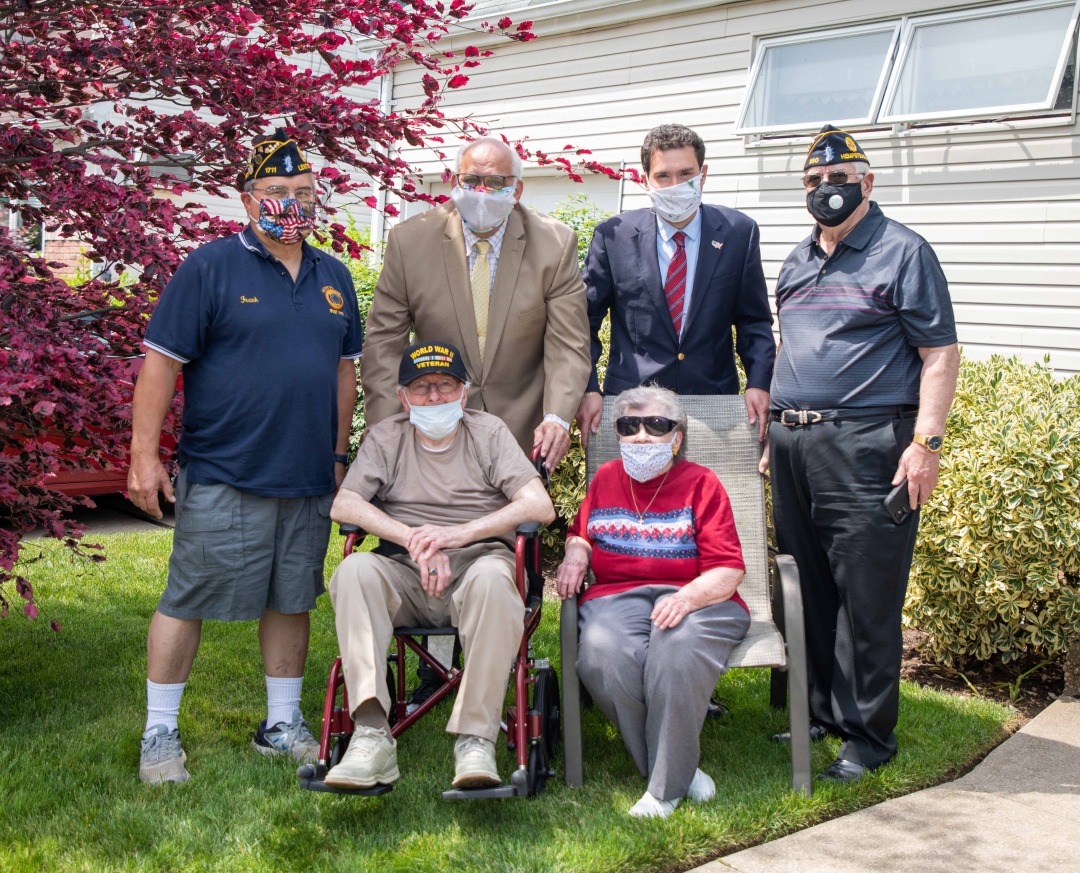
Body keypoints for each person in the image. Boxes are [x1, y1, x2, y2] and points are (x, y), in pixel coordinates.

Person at [128, 130, 364, 784]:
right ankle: (160, 732)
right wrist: (143, 456)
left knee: (293, 597)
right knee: (188, 596)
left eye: (304, 193)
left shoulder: (334, 276)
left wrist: (340, 453)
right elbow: (161, 365)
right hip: (224, 470)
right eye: (277, 193)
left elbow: (346, 372)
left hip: (308, 473)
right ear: (247, 200)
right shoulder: (209, 267)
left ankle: (280, 723)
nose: (292, 203)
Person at [766, 125, 960, 782]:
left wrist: (925, 445)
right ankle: (821, 707)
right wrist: (772, 428)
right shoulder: (795, 261)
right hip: (792, 443)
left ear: (867, 183)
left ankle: (868, 736)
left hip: (868, 445)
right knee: (809, 582)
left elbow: (939, 354)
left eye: (840, 179)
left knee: (867, 593)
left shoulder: (904, 252)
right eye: (815, 182)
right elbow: (788, 346)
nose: (827, 190)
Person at [325, 341, 556, 790]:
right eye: (422, 387)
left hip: (477, 566)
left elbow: (538, 504)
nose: (434, 397)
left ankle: (475, 739)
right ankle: (371, 736)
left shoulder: (488, 433)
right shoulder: (385, 437)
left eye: (445, 386)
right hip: (405, 572)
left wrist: (456, 536)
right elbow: (345, 505)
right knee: (353, 571)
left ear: (464, 394)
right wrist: (412, 538)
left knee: (493, 578)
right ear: (403, 397)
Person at [556, 384, 749, 818]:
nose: (642, 435)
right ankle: (682, 767)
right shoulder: (606, 478)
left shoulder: (702, 483)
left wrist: (687, 597)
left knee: (674, 650)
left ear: (676, 437)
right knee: (602, 655)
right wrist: (574, 554)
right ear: (619, 434)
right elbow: (581, 533)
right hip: (616, 596)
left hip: (699, 597)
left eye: (656, 425)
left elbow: (729, 568)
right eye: (630, 425)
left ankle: (663, 791)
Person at [361, 136, 591, 471]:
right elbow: (383, 344)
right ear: (454, 182)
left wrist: (557, 416)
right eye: (470, 181)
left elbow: (568, 345)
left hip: (521, 435)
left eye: (495, 182)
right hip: (431, 427)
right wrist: (384, 427)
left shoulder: (555, 245)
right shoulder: (408, 242)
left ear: (516, 189)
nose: (481, 192)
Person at [576, 124, 775, 448]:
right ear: (645, 180)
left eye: (686, 174)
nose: (676, 185)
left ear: (703, 174)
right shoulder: (614, 236)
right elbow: (584, 323)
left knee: (707, 500)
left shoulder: (739, 233)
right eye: (663, 176)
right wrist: (588, 388)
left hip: (714, 410)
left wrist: (760, 382)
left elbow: (754, 320)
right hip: (631, 410)